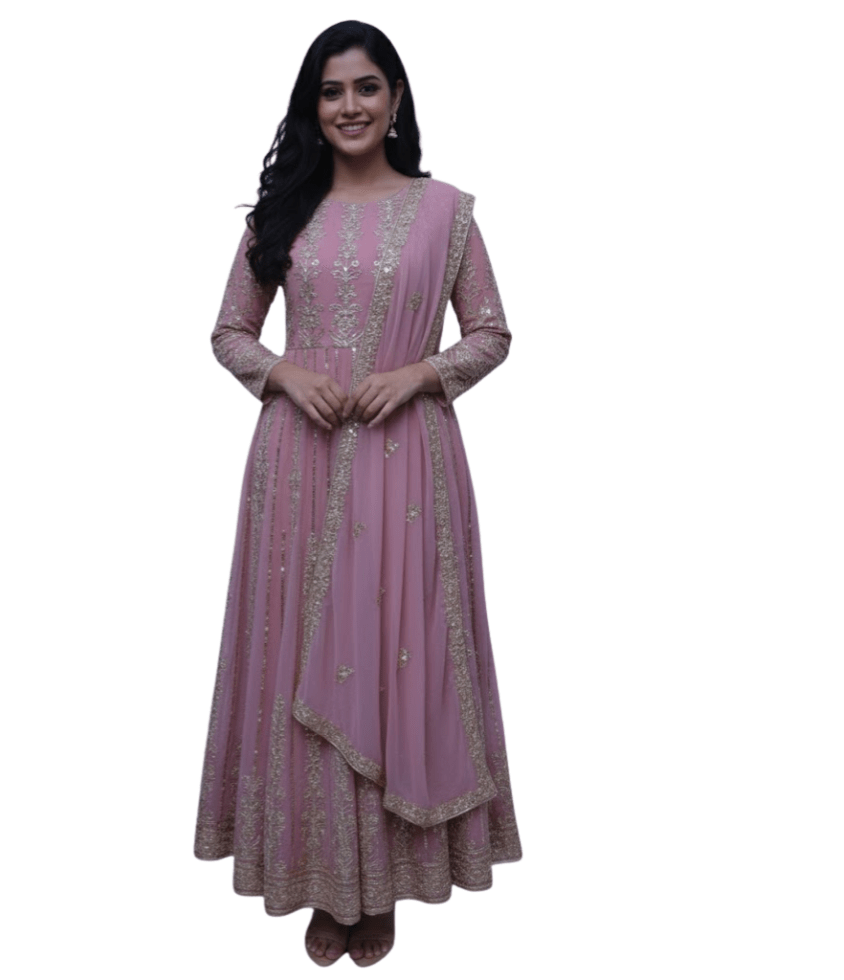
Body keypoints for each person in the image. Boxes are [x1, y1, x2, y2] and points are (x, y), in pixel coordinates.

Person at [194, 20, 523, 967]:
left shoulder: (446, 212)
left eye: (367, 87)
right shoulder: (281, 215)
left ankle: (384, 887)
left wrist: (421, 373)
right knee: (301, 655)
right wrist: (284, 374)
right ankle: (321, 880)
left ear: (396, 98)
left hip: (407, 464)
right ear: (313, 105)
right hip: (296, 466)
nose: (350, 106)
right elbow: (228, 332)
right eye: (332, 91)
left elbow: (492, 332)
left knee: (396, 658)